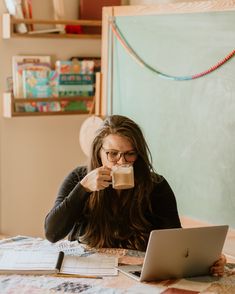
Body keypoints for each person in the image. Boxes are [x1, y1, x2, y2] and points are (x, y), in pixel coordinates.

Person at [44, 114, 226, 276]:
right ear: (99, 152)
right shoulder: (80, 178)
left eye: (130, 154)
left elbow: (175, 244)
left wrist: (210, 259)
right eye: (112, 154)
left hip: (137, 276)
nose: (122, 162)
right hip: (88, 274)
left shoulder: (156, 186)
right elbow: (52, 233)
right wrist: (83, 189)